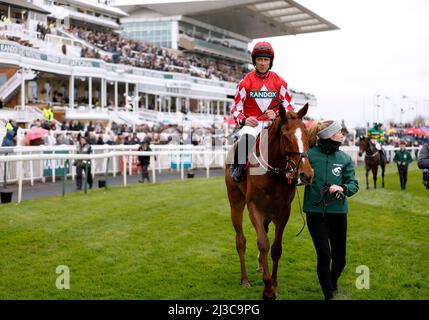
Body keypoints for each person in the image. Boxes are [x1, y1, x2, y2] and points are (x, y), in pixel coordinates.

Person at [303, 120, 359, 300]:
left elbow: (353, 184)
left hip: (338, 214)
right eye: (338, 133)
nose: (342, 135)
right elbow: (298, 178)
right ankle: (328, 295)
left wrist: (342, 188)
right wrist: (295, 178)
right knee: (324, 255)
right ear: (328, 135)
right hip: (315, 213)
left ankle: (332, 281)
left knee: (340, 259)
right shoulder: (309, 155)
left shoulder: (344, 159)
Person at [230, 41, 294, 182]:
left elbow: (290, 107)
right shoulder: (244, 83)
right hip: (253, 124)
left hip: (273, 124)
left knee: (291, 140)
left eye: (266, 60)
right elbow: (235, 109)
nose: (262, 63)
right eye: (259, 59)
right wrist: (244, 120)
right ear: (255, 61)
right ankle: (238, 168)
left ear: (270, 62)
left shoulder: (280, 83)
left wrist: (277, 115)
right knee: (246, 136)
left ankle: (296, 171)